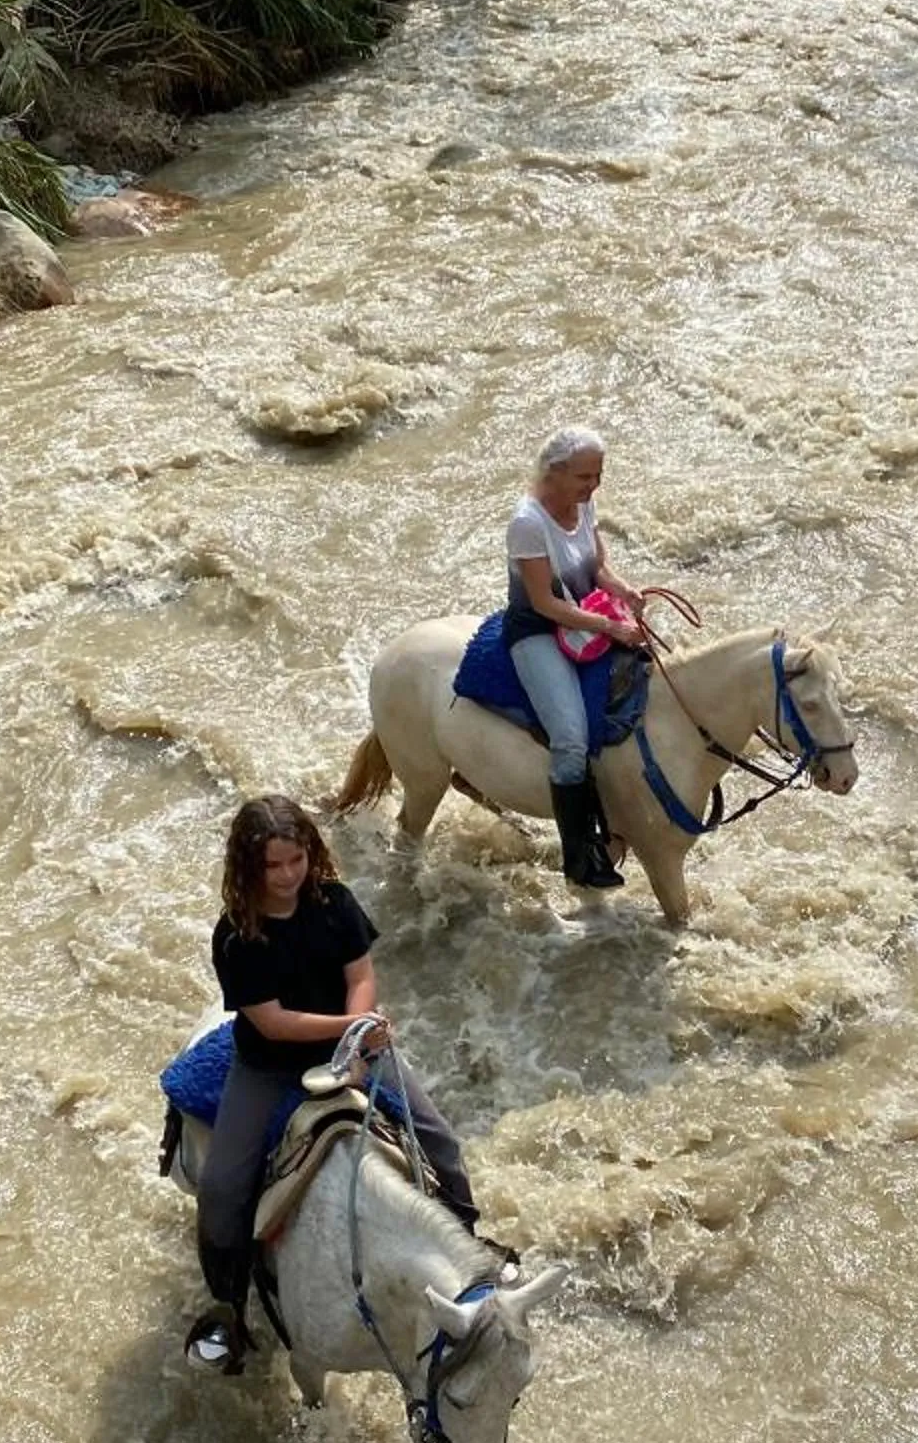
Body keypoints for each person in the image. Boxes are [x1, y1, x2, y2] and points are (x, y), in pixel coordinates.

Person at [188, 794, 480, 1372]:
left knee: (440, 1140)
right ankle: (228, 1306)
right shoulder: (236, 934)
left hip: (357, 1048)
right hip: (270, 1065)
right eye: (274, 865)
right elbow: (272, 1021)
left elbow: (361, 974)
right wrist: (356, 1026)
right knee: (222, 1187)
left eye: (296, 859)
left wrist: (363, 1029)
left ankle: (471, 1257)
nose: (289, 875)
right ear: (251, 867)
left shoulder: (334, 902)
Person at [505, 426, 647, 890]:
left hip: (587, 614)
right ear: (556, 471)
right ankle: (580, 858)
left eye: (598, 475)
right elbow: (544, 602)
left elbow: (596, 567)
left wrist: (621, 588)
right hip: (540, 632)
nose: (594, 486)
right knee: (569, 738)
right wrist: (610, 627)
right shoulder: (528, 522)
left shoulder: (584, 505)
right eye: (585, 476)